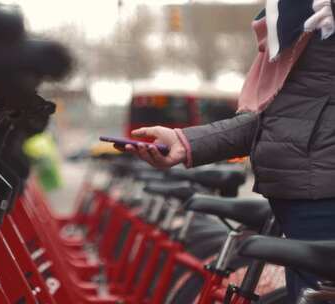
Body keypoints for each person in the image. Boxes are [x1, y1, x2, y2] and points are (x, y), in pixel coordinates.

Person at [123, 2, 335, 303]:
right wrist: (184, 142)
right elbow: (275, 118)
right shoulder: (301, 13)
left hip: (322, 200)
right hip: (296, 198)